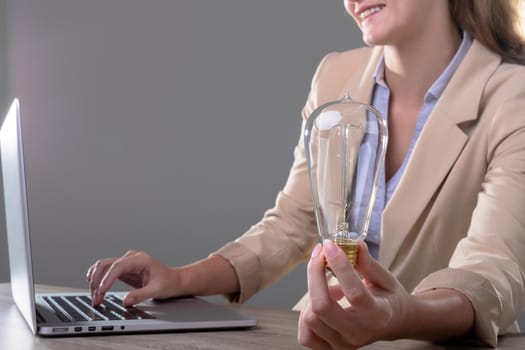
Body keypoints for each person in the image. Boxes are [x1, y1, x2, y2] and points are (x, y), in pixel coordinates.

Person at [87, 0, 525, 348]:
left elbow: (490, 273)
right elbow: (294, 224)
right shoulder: (335, 75)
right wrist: (181, 279)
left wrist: (396, 316)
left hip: (437, 342)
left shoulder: (512, 97)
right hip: (322, 336)